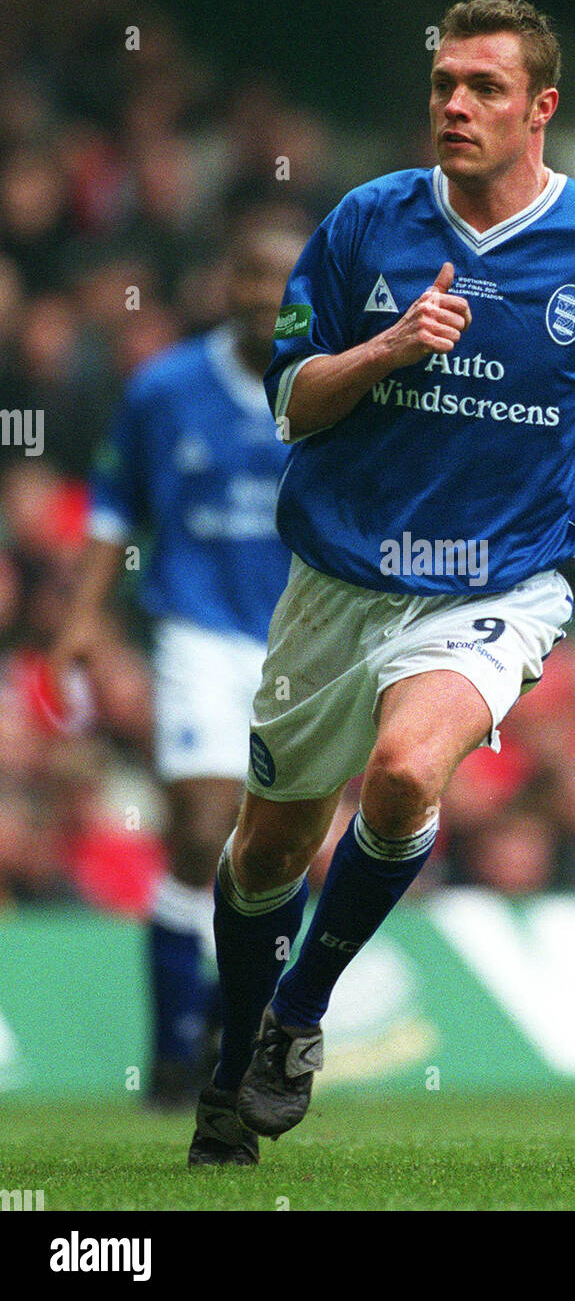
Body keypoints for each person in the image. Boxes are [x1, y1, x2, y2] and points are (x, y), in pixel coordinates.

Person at [188, 0, 575, 1166]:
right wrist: (385, 350)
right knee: (264, 856)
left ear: (540, 108)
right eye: (443, 81)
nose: (454, 104)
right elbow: (290, 401)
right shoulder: (361, 224)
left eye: (484, 87)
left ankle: (298, 1016)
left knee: (401, 773)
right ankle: (232, 1061)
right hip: (336, 580)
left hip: (495, 582)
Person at [53, 213, 304, 1106]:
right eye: (248, 277)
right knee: (200, 834)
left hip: (303, 641)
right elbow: (115, 505)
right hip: (196, 634)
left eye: (281, 279)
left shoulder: (334, 384)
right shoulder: (165, 387)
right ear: (222, 286)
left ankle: (226, 1037)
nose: (263, 296)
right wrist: (81, 619)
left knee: (277, 851)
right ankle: (168, 1054)